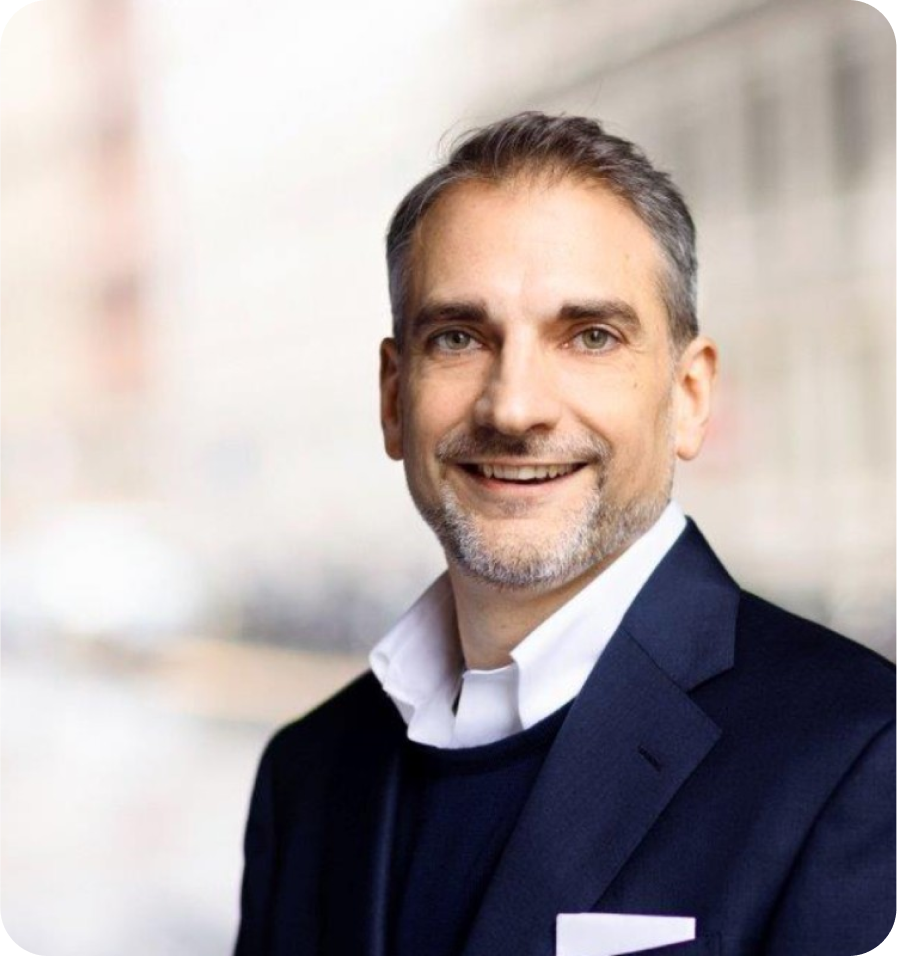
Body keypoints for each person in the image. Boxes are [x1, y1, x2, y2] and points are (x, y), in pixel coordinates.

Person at [233, 113, 896, 956]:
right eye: (458, 337)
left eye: (590, 337)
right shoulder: (305, 773)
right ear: (394, 398)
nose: (514, 408)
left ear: (688, 397)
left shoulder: (859, 759)